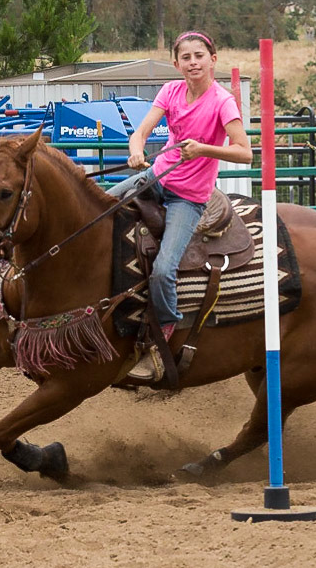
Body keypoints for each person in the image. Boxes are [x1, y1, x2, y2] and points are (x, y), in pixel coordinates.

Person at [108, 31, 253, 382]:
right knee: (102, 208)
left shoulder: (223, 102)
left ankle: (167, 328)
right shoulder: (170, 91)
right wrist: (137, 149)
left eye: (199, 56)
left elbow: (244, 152)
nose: (193, 63)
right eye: (186, 58)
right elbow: (140, 131)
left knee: (163, 269)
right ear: (177, 64)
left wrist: (204, 149)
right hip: (157, 178)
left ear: (212, 60)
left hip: (189, 198)